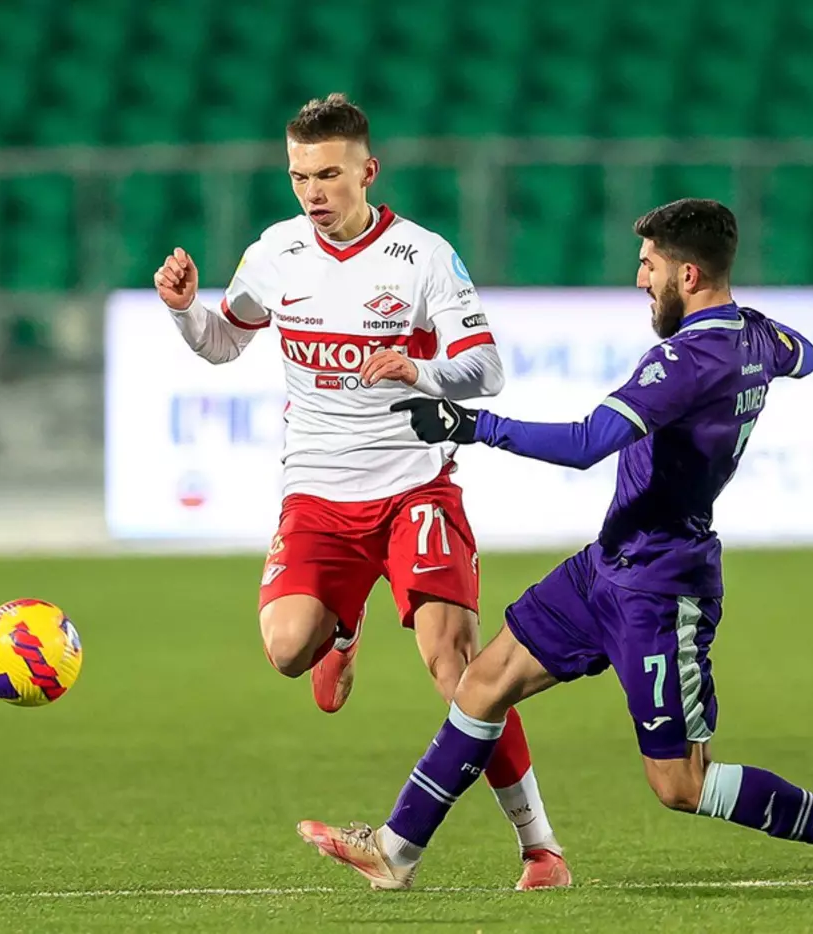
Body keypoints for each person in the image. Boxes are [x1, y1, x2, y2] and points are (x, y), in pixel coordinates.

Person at [296, 198, 813, 890]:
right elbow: (805, 353)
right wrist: (757, 347)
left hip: (662, 586)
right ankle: (395, 851)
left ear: (688, 275)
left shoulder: (687, 360)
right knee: (483, 683)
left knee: (680, 783)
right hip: (608, 564)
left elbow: (587, 443)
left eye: (649, 265)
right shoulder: (754, 335)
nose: (639, 279)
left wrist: (471, 426)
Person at [153, 93, 570, 890]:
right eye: (299, 175)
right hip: (316, 493)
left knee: (459, 669)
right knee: (287, 651)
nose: (312, 191)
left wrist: (421, 369)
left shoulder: (423, 257)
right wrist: (183, 312)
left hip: (415, 489)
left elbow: (486, 370)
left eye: (329, 174)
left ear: (367, 171)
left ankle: (540, 847)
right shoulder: (275, 253)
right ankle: (342, 629)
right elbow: (224, 343)